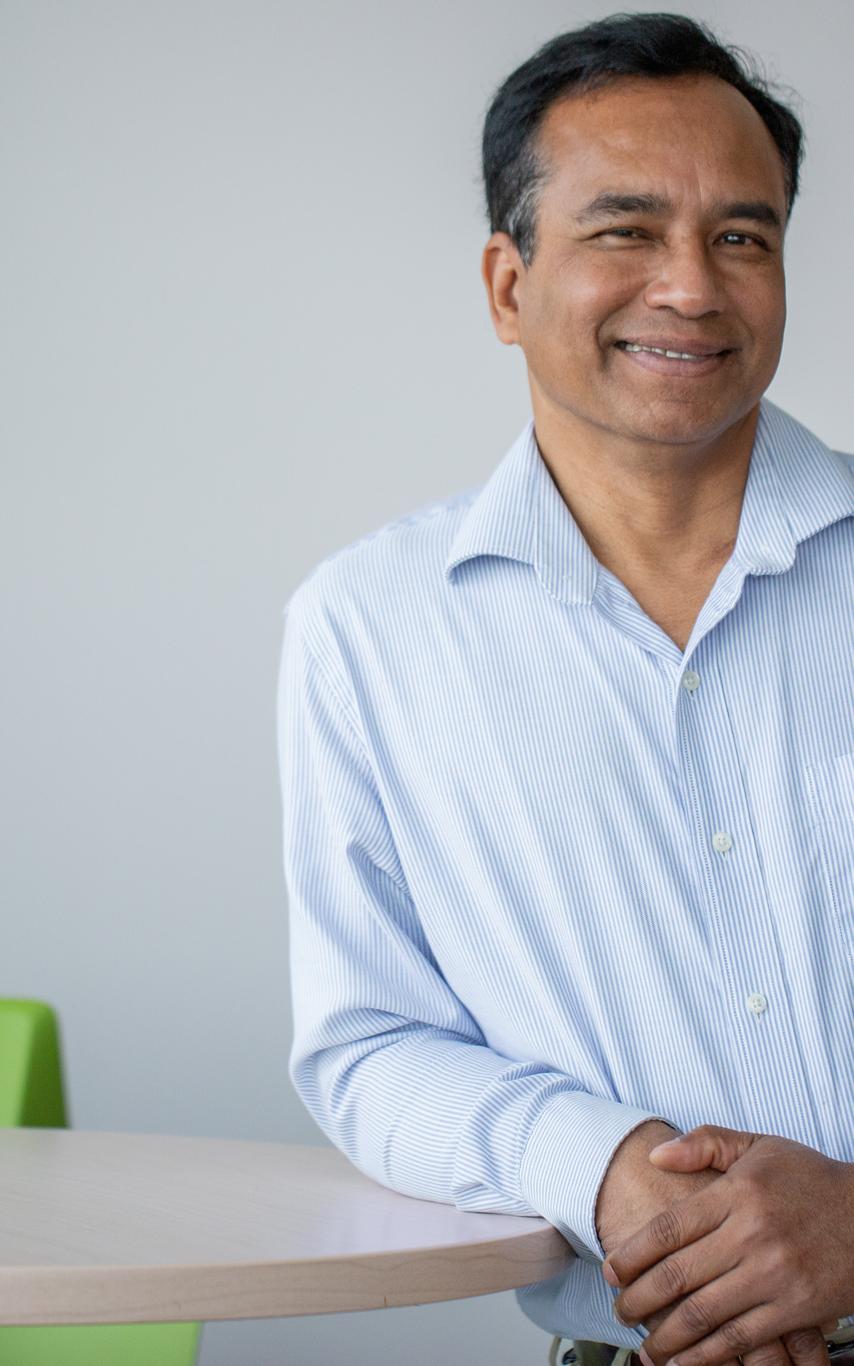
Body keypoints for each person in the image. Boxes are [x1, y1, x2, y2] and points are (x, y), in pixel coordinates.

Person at [277, 13, 854, 1366]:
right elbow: (366, 1043)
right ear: (504, 282)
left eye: (740, 236)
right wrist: (609, 1169)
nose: (690, 287)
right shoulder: (367, 628)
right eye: (622, 231)